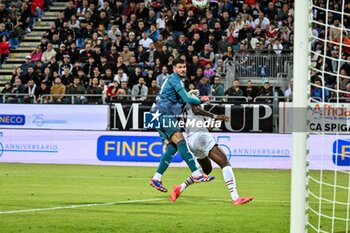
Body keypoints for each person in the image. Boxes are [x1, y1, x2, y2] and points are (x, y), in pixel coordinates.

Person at [169, 90, 254, 205]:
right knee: (225, 163)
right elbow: (196, 109)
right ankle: (235, 197)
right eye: (194, 95)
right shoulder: (191, 103)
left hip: (192, 140)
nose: (196, 98)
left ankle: (180, 187)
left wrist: (214, 123)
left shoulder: (183, 109)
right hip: (201, 137)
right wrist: (216, 115)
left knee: (206, 170)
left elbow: (200, 123)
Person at [149, 58, 213, 193]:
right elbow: (187, 99)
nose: (183, 69)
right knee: (181, 143)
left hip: (156, 114)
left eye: (184, 66)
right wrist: (200, 98)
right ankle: (196, 173)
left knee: (172, 148)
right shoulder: (175, 79)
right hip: (164, 114)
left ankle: (156, 178)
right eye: (180, 67)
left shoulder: (172, 80)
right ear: (174, 69)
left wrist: (187, 96)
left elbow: (178, 99)